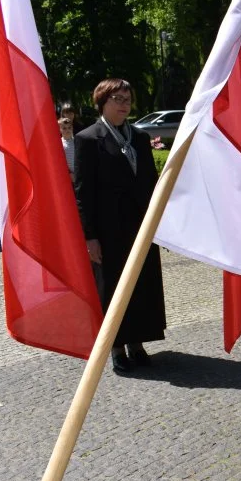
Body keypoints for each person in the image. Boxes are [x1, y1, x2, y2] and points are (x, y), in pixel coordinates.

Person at [74, 78, 166, 373]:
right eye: (118, 99)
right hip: (108, 230)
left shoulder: (139, 137)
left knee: (142, 284)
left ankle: (137, 342)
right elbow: (82, 192)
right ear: (102, 101)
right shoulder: (88, 138)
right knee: (112, 287)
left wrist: (158, 222)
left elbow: (151, 182)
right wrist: (90, 237)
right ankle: (115, 347)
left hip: (140, 226)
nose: (125, 105)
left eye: (128, 99)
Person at [59, 117, 76, 183]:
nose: (67, 130)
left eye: (69, 128)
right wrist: (69, 173)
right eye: (64, 128)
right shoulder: (59, 143)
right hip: (67, 176)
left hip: (78, 173)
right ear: (60, 129)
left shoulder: (77, 141)